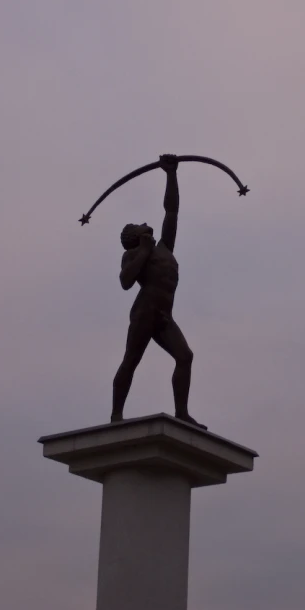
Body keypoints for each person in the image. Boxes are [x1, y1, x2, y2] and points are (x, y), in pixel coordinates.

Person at [111, 154, 207, 429]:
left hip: (165, 314)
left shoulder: (165, 247)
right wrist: (142, 250)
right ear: (133, 235)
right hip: (145, 311)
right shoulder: (133, 254)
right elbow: (125, 282)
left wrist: (171, 174)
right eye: (139, 225)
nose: (146, 223)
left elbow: (172, 211)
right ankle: (116, 414)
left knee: (185, 357)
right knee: (131, 360)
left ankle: (182, 412)